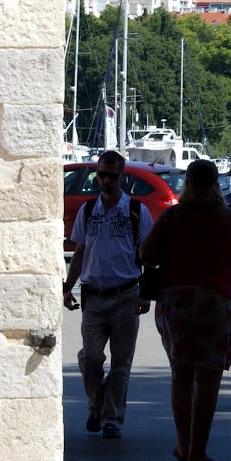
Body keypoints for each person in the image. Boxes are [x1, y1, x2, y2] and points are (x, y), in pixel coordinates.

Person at [142, 157, 231, 461]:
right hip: (215, 302)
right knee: (208, 378)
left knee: (181, 375)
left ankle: (183, 444)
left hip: (176, 300)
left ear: (189, 184)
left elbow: (146, 253)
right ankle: (198, 451)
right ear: (216, 183)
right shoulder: (227, 217)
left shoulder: (172, 216)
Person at [63, 150, 152, 439]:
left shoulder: (136, 211)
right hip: (94, 296)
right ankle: (97, 405)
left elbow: (149, 256)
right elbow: (80, 250)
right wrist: (68, 286)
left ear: (121, 177)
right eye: (101, 175)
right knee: (90, 357)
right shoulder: (88, 210)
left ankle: (111, 418)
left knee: (121, 364)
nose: (106, 181)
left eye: (112, 176)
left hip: (126, 295)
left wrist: (146, 293)